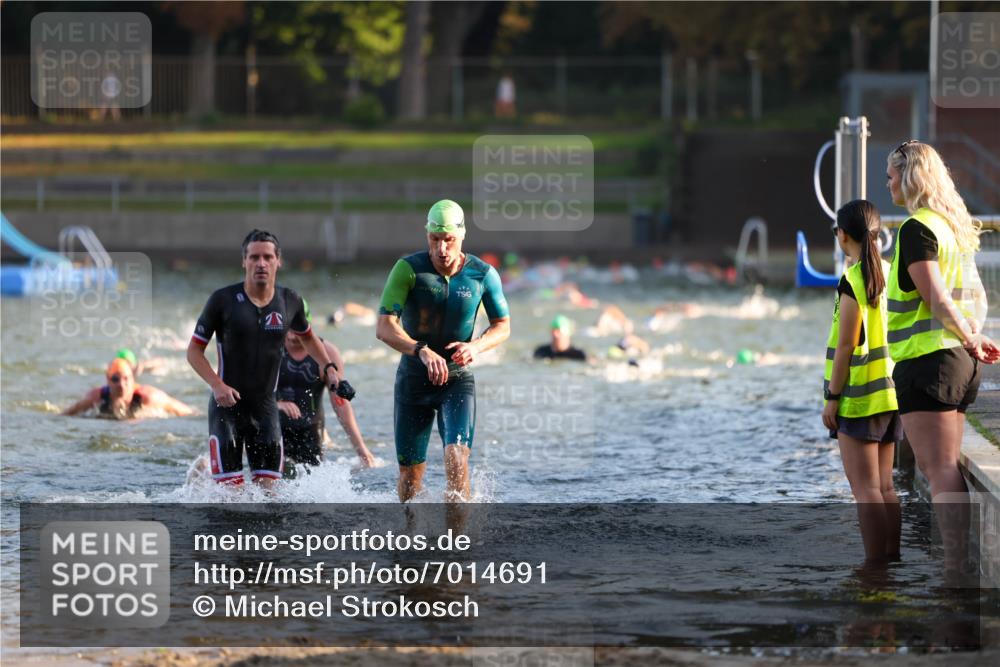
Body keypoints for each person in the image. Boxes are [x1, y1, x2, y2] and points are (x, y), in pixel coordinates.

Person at [885, 141, 1000, 575]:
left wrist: (969, 339)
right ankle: (958, 562)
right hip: (956, 363)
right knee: (947, 467)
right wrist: (973, 336)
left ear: (910, 176)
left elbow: (935, 299)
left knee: (938, 470)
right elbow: (976, 297)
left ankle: (954, 567)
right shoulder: (952, 228)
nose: (888, 182)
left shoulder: (917, 229)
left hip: (929, 362)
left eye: (892, 174)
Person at [186, 229, 344, 490]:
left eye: (268, 257)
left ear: (278, 261)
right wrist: (217, 385)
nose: (261, 263)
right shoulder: (222, 300)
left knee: (269, 500)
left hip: (266, 411)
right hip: (227, 410)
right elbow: (193, 352)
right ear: (244, 261)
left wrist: (329, 368)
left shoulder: (289, 300)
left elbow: (309, 338)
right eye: (254, 257)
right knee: (230, 498)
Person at [376, 200, 511, 502]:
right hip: (413, 380)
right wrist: (420, 350)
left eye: (448, 240)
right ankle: (410, 543)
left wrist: (476, 346)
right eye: (434, 240)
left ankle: (456, 545)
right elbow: (384, 327)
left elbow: (503, 326)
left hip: (457, 381)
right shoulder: (408, 270)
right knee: (410, 479)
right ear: (427, 236)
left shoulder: (482, 274)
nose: (441, 249)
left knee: (456, 460)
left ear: (462, 236)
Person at [820, 200, 902, 565]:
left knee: (866, 491)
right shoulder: (889, 272)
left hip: (859, 399)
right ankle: (892, 561)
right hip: (891, 394)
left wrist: (832, 397)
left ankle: (874, 571)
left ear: (843, 235)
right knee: (886, 488)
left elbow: (846, 347)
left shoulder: (853, 280)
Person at [277, 330, 375, 472]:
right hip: (274, 427)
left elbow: (340, 404)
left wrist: (361, 449)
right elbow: (251, 391)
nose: (292, 335)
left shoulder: (327, 352)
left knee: (311, 481)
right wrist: (277, 404)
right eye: (289, 328)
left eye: (297, 327)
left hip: (310, 431)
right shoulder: (270, 345)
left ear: (306, 326)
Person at [62, 358, 194, 419]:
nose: (121, 384)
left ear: (133, 379)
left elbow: (183, 410)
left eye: (126, 379)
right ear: (107, 380)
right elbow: (68, 413)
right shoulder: (96, 397)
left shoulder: (147, 397)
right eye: (115, 379)